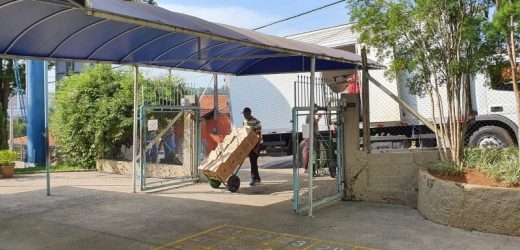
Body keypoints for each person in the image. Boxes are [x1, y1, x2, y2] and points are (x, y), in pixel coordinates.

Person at [242, 107, 262, 186]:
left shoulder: (256, 122)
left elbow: (259, 135)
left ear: (249, 113)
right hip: (250, 144)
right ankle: (257, 177)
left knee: (253, 160)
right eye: (243, 114)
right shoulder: (244, 122)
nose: (244, 116)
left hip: (257, 143)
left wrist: (256, 147)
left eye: (245, 114)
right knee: (253, 161)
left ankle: (254, 178)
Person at [301, 104, 321, 173]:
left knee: (310, 151)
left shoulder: (311, 116)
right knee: (308, 151)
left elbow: (313, 125)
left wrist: (318, 119)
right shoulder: (310, 116)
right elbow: (310, 126)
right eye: (316, 109)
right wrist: (312, 135)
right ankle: (305, 168)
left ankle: (309, 167)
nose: (317, 110)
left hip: (311, 136)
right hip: (310, 136)